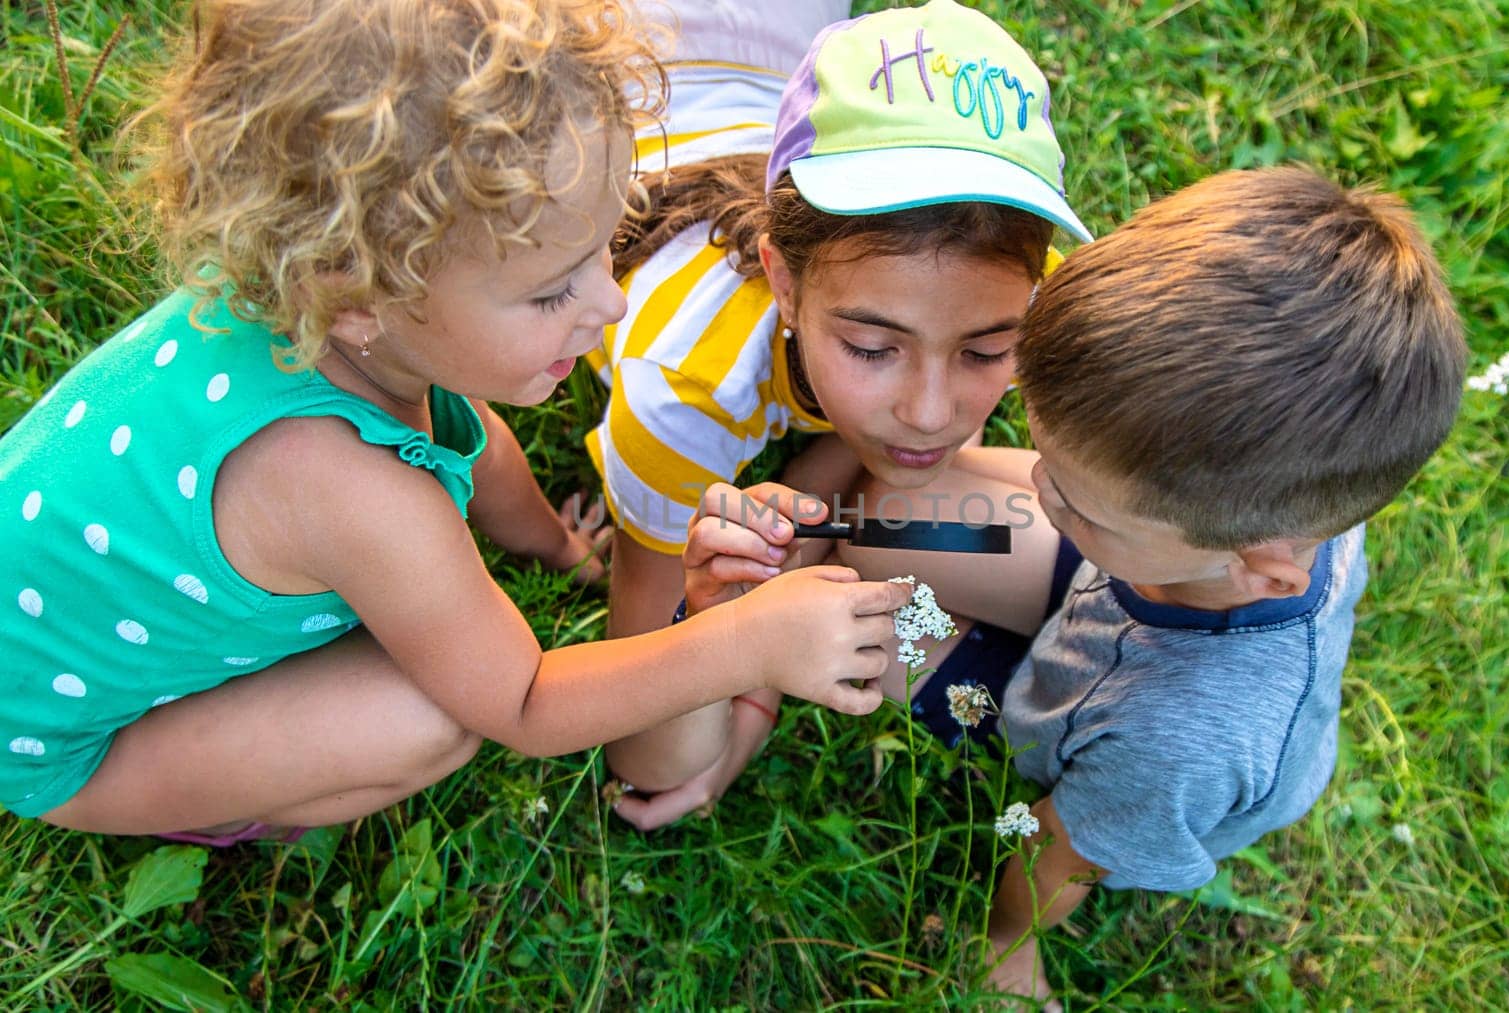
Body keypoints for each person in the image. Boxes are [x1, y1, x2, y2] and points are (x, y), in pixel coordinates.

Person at [0, 0, 911, 845]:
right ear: (356, 292)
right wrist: (750, 640)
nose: (608, 301)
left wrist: (557, 546)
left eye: (606, 244)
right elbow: (521, 700)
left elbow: (469, 432)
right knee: (429, 723)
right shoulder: (348, 487)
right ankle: (221, 805)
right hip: (64, 737)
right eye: (552, 288)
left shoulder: (351, 325)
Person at [678, 167, 1468, 1006]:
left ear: (1259, 566)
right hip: (1121, 586)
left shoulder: (1175, 746)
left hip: (1073, 718)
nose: (1039, 492)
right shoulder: (1290, 478)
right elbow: (1095, 509)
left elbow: (1064, 852)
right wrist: (1096, 522)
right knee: (884, 514)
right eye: (1046, 461)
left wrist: (1008, 936)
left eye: (1073, 496)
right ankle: (873, 524)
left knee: (846, 620)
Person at [596, 0, 1095, 828]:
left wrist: (769, 618)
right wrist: (727, 626)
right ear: (783, 281)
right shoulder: (679, 389)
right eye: (871, 348)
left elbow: (869, 479)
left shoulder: (1020, 291)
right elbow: (649, 758)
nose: (934, 414)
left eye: (984, 350)